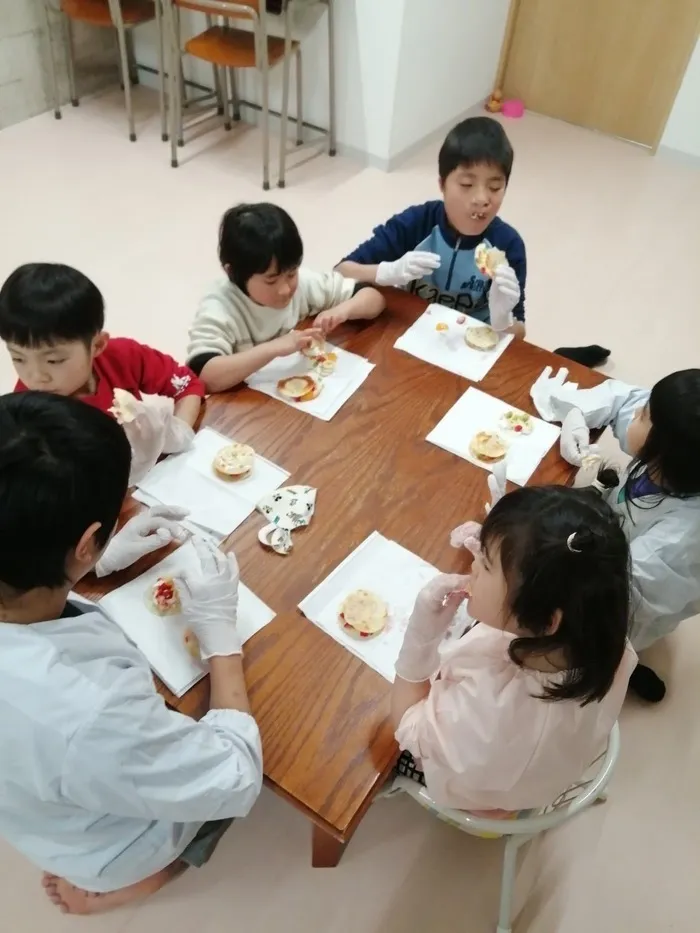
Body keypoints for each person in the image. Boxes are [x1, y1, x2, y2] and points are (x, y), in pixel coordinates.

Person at [0, 391, 262, 914]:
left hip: (35, 807)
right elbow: (234, 775)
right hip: (110, 842)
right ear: (86, 537)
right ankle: (152, 874)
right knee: (241, 779)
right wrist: (221, 640)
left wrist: (93, 567)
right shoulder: (87, 713)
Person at [391, 486, 636, 815]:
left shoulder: (487, 712)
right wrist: (503, 546)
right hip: (548, 769)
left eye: (486, 563)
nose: (473, 566)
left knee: (375, 753)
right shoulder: (598, 633)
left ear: (546, 620)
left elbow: (406, 722)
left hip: (484, 799)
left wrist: (421, 638)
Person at [336, 116, 609, 368]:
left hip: (472, 353)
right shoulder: (416, 223)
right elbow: (340, 272)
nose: (482, 198)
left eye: (494, 187)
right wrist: (386, 272)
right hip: (413, 338)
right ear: (442, 184)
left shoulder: (507, 244)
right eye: (467, 184)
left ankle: (566, 358)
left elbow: (519, 332)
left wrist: (502, 318)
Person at [531, 366, 700, 703]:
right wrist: (578, 414)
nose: (634, 412)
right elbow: (620, 396)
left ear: (665, 448)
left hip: (628, 604)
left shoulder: (678, 543)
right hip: (613, 547)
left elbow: (612, 597)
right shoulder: (679, 456)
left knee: (600, 644)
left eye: (644, 415)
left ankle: (614, 667)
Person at [0, 263, 204, 481]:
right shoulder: (24, 413)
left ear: (97, 345)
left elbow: (187, 385)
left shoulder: (123, 357)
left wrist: (179, 433)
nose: (35, 377)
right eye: (18, 358)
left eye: (53, 360)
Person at [186, 203, 387, 392]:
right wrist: (272, 349)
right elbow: (204, 376)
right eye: (271, 281)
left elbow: (374, 299)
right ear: (232, 272)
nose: (285, 289)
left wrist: (342, 311)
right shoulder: (220, 307)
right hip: (245, 410)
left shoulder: (305, 283)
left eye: (291, 274)